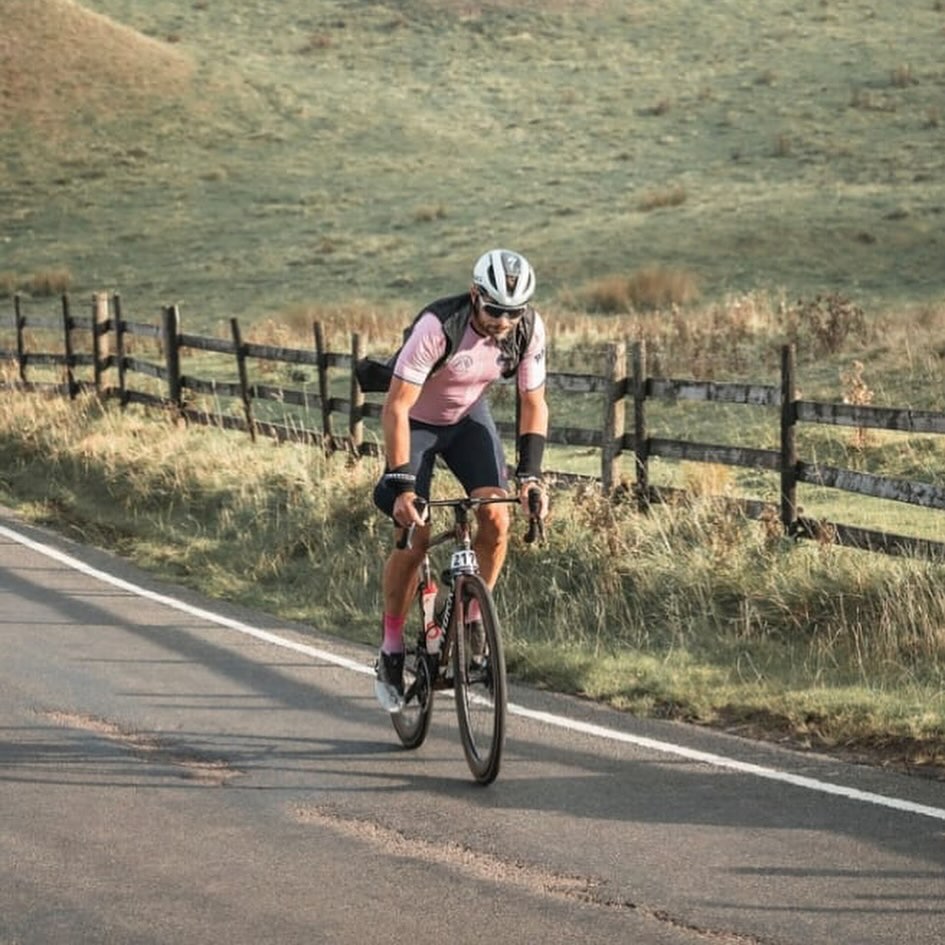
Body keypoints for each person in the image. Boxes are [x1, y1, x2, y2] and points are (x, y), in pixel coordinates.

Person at [372, 248, 550, 712]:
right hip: (416, 423)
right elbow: (396, 406)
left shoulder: (528, 329)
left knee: (496, 517)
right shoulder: (438, 327)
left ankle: (473, 616)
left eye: (513, 312)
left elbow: (533, 402)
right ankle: (391, 648)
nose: (503, 322)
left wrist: (531, 478)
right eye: (493, 310)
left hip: (469, 420)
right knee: (415, 534)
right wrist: (402, 487)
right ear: (475, 295)